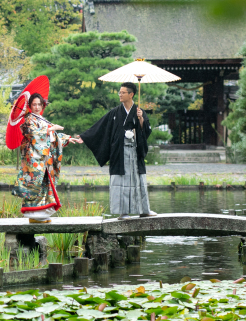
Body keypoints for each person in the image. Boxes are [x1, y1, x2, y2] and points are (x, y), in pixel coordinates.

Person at [73, 82, 156, 219]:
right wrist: (85, 137)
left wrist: (141, 119)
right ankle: (123, 212)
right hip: (120, 152)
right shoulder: (115, 112)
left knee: (138, 179)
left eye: (123, 92)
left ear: (131, 94)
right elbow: (101, 126)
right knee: (121, 181)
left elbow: (146, 131)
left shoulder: (139, 112)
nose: (120, 95)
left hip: (135, 152)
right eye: (119, 92)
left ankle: (144, 210)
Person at [11, 93, 78, 223]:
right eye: (34, 104)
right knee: (35, 186)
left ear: (43, 105)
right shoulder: (28, 119)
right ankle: (34, 215)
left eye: (39, 104)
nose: (37, 107)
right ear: (30, 106)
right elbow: (32, 134)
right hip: (34, 159)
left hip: (45, 159)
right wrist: (49, 130)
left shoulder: (42, 119)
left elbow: (53, 137)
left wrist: (67, 138)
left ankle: (42, 215)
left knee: (45, 187)